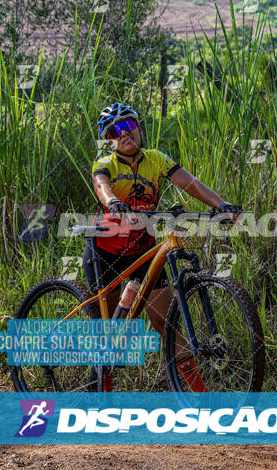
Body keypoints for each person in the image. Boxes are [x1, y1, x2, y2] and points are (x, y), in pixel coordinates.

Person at [82, 102, 240, 390]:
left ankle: (202, 401)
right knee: (108, 336)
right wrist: (114, 202)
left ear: (139, 127)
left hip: (144, 252)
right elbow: (102, 186)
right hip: (104, 254)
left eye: (129, 125)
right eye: (116, 131)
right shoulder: (105, 164)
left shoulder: (156, 159)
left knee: (168, 327)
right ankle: (101, 402)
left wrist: (221, 205)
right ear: (109, 139)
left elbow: (190, 183)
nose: (125, 133)